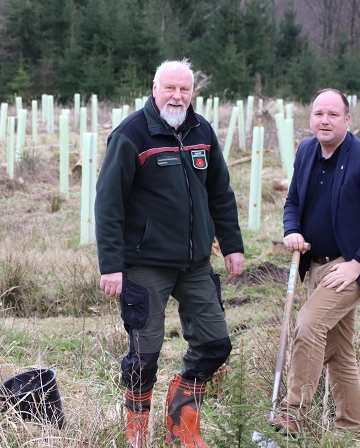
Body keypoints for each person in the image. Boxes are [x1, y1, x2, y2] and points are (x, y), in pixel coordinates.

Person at [95, 59, 245, 448]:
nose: (177, 96)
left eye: (185, 89)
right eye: (170, 88)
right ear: (155, 88)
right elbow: (108, 203)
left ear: (192, 92)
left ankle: (181, 424)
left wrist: (232, 246)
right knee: (145, 353)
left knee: (215, 343)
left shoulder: (202, 131)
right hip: (145, 264)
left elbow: (220, 194)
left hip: (195, 263)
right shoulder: (131, 135)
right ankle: (137, 436)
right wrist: (111, 266)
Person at [271, 88, 360, 443]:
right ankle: (351, 432)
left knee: (309, 324)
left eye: (332, 114)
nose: (324, 120)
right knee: (341, 353)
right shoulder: (306, 151)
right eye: (318, 114)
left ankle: (291, 413)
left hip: (352, 266)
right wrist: (291, 230)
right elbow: (293, 202)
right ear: (311, 118)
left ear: (347, 119)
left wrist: (356, 265)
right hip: (316, 264)